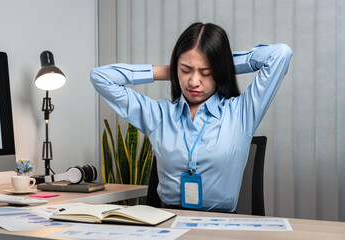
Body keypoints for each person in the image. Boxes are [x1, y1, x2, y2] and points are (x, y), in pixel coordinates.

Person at [90, 22, 292, 213]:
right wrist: (166, 70)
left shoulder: (241, 113)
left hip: (223, 226)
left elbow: (280, 54)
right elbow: (100, 77)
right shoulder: (158, 115)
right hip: (168, 222)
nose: (194, 81)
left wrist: (224, 65)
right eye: (186, 70)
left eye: (206, 72)